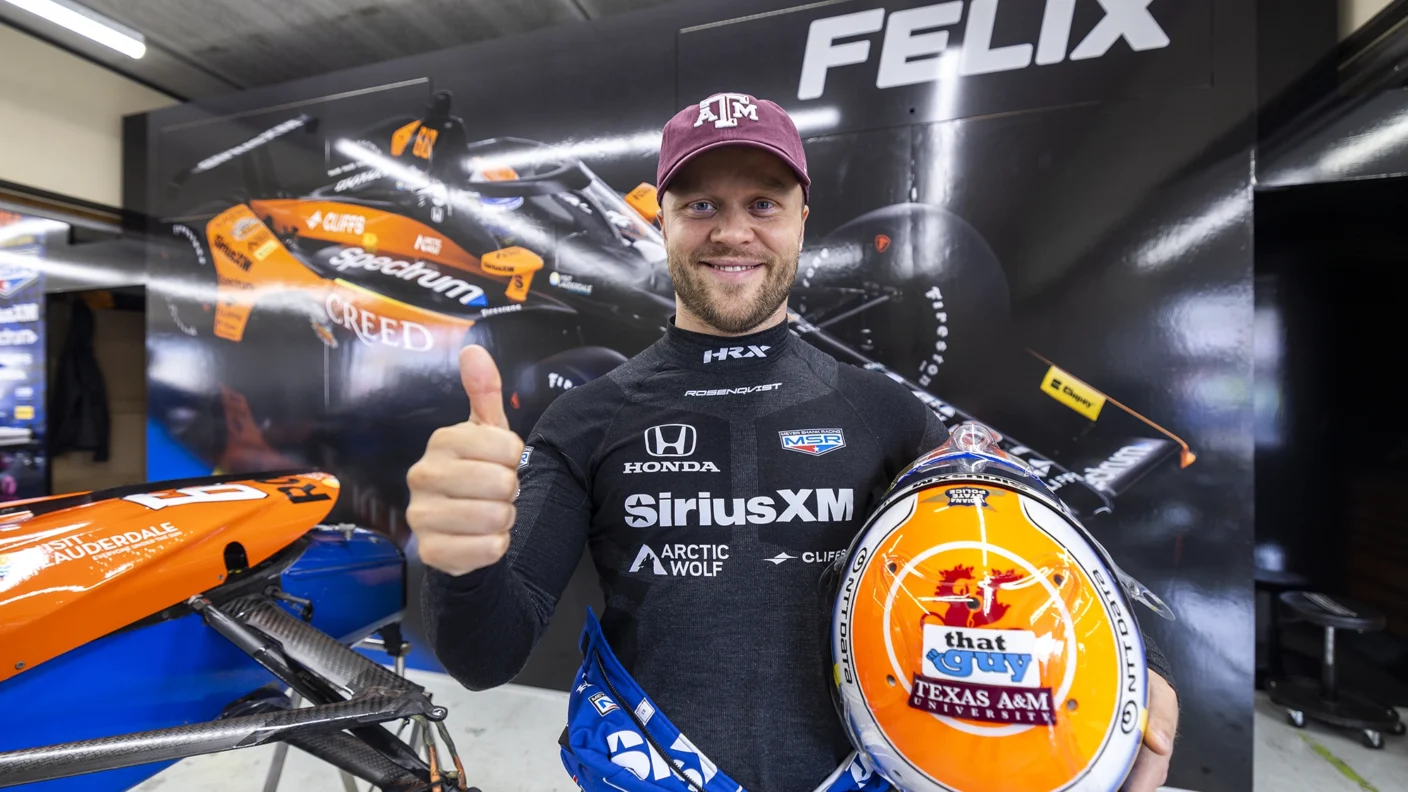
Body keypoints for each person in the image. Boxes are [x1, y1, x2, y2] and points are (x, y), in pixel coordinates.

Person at [409, 91, 1180, 791]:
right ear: (663, 217)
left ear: (802, 218)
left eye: (764, 203)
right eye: (702, 202)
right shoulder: (586, 417)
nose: (733, 230)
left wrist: (1120, 685)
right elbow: (484, 660)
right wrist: (460, 564)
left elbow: (1005, 570)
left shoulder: (887, 412)